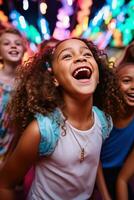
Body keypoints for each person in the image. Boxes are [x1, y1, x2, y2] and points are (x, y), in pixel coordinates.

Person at [0, 38, 123, 200]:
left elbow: (91, 160)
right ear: (54, 78)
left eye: (87, 54)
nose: (80, 58)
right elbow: (5, 185)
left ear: (98, 75)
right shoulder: (43, 130)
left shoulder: (104, 121)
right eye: (67, 56)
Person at [98, 62, 134, 200]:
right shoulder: (102, 115)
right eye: (126, 81)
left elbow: (123, 179)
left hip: (117, 174)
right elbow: (94, 161)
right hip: (91, 170)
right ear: (114, 85)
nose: (133, 87)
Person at [0, 27, 26, 164]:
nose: (13, 46)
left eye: (18, 43)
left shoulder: (28, 84)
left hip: (13, 147)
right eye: (6, 43)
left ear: (24, 50)